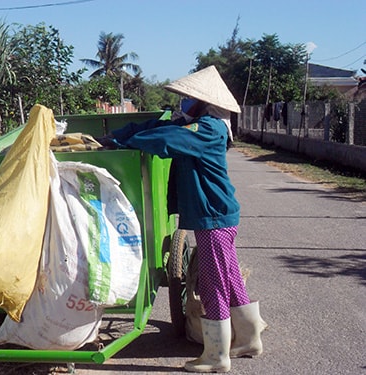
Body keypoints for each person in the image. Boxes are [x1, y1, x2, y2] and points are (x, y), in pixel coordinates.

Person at [98, 66, 267, 373]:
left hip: (212, 216)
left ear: (205, 102)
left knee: (214, 283)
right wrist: (115, 136)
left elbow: (166, 138)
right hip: (219, 215)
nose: (183, 103)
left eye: (189, 98)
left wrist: (122, 145)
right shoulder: (195, 124)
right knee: (228, 276)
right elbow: (155, 125)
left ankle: (216, 356)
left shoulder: (208, 129)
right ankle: (249, 339)